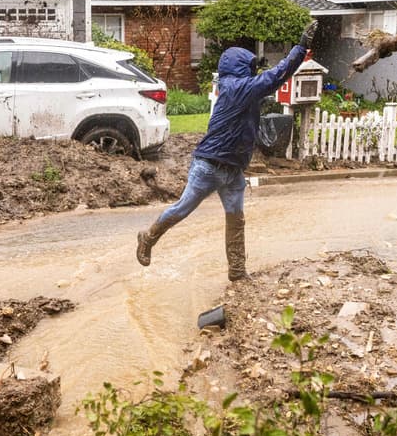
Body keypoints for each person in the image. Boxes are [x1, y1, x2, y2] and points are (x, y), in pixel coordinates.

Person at [136, 20, 318, 281]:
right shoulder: (236, 89)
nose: (254, 71)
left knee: (236, 220)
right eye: (251, 66)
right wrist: (300, 47)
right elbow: (275, 76)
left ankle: (237, 272)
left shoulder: (240, 89)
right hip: (209, 166)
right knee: (182, 210)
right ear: (240, 68)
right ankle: (148, 237)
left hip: (233, 170)